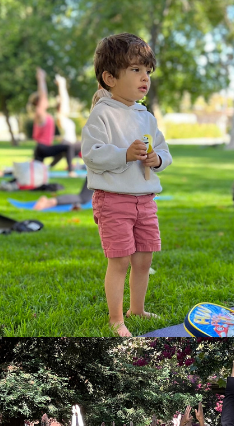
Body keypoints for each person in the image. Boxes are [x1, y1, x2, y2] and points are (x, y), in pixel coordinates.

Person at [85, 33, 170, 336]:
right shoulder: (102, 114)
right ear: (109, 77)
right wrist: (124, 154)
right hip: (114, 200)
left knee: (144, 258)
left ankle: (137, 309)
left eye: (147, 71)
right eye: (135, 70)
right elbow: (92, 155)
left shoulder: (145, 116)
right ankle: (115, 319)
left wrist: (156, 159)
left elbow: (164, 150)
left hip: (145, 199)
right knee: (120, 261)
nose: (144, 77)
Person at [29, 68, 76, 172]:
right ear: (38, 102)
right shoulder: (39, 113)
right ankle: (71, 171)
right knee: (67, 147)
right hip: (43, 148)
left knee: (37, 173)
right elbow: (43, 96)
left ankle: (47, 168)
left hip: (41, 149)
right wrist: (41, 79)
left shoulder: (45, 115)